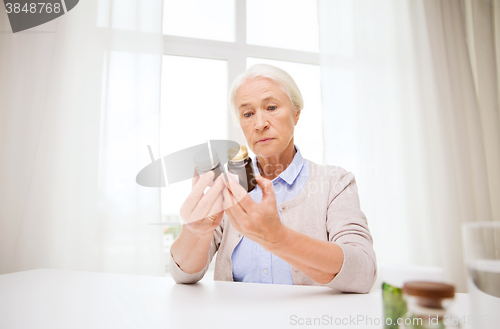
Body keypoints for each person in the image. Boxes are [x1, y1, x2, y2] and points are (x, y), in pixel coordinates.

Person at [169, 64, 377, 293]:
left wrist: (280, 239)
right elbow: (183, 274)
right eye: (248, 114)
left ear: (296, 113)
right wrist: (196, 231)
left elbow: (363, 273)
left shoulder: (335, 182)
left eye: (271, 107)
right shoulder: (229, 187)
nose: (259, 124)